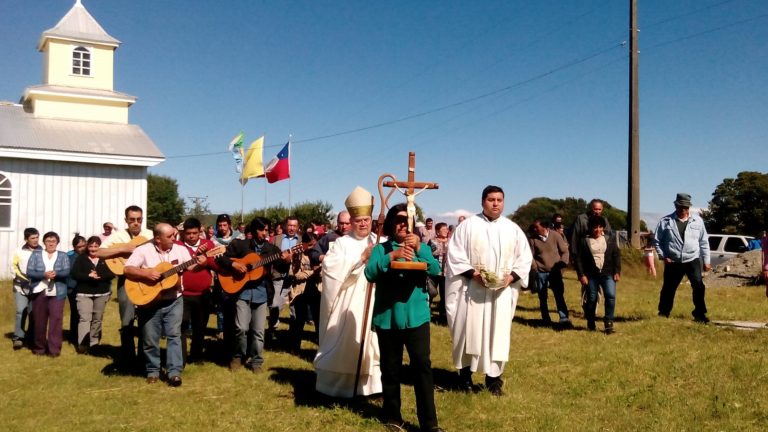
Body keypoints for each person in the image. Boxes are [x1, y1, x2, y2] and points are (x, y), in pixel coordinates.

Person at [444, 185, 532, 396]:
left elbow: (524, 258)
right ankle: (465, 377)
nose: (495, 204)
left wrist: (510, 278)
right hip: (471, 290)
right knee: (468, 332)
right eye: (491, 199)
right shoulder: (468, 226)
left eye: (499, 200)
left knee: (497, 333)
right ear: (483, 201)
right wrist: (474, 275)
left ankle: (493, 380)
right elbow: (455, 255)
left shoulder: (512, 229)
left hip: (500, 293)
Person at [365, 204, 444, 432]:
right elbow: (369, 273)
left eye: (407, 220)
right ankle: (392, 416)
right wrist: (392, 256)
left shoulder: (422, 247)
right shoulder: (381, 249)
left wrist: (418, 248)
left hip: (417, 317)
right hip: (388, 317)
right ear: (391, 224)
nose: (403, 224)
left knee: (422, 367)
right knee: (390, 368)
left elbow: (435, 269)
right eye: (398, 220)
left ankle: (429, 424)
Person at [314, 186, 382, 397]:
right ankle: (340, 387)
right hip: (348, 301)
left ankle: (373, 387)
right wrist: (361, 258)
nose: (363, 224)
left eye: (366, 219)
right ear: (351, 221)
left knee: (373, 342)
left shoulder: (380, 241)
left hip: (374, 300)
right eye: (358, 220)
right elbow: (330, 268)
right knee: (344, 341)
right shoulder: (341, 243)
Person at [124, 223, 205, 386]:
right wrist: (146, 273)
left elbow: (191, 267)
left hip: (174, 299)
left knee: (174, 335)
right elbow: (127, 269)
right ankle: (152, 370)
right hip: (150, 301)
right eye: (169, 236)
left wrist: (201, 263)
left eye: (174, 235)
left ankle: (174, 373)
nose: (174, 238)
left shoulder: (180, 250)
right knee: (150, 338)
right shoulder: (143, 250)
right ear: (157, 238)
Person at [216, 217, 287, 372]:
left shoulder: (271, 249)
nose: (265, 233)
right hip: (242, 292)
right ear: (254, 230)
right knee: (241, 328)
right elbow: (221, 259)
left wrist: (286, 260)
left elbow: (281, 268)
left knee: (258, 331)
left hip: (262, 294)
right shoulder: (240, 245)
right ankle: (238, 356)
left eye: (267, 230)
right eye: (262, 230)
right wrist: (234, 264)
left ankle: (256, 361)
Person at [96, 205, 153, 370]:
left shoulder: (150, 235)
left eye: (139, 219)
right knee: (127, 320)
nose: (136, 223)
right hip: (125, 280)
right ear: (126, 220)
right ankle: (128, 358)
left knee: (146, 320)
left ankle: (144, 357)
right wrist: (124, 248)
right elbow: (99, 252)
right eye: (132, 219)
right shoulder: (118, 236)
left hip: (146, 281)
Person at [653, 193, 711, 323]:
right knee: (668, 288)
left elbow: (704, 242)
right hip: (673, 261)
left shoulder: (698, 221)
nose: (683, 210)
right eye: (681, 207)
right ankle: (664, 313)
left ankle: (700, 314)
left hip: (692, 259)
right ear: (675, 206)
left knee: (698, 286)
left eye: (686, 207)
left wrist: (706, 261)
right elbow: (657, 241)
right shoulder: (665, 221)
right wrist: (664, 256)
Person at [178, 217, 219, 364]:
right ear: (183, 233)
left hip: (203, 294)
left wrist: (207, 261)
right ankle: (181, 357)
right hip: (182, 294)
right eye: (188, 233)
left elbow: (217, 266)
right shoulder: (177, 246)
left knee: (200, 326)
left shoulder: (208, 244)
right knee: (181, 326)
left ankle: (197, 355)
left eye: (194, 233)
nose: (191, 236)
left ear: (199, 232)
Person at [573, 216, 621, 333]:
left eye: (600, 227)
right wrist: (581, 275)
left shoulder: (610, 239)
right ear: (590, 228)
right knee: (592, 298)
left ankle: (608, 322)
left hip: (608, 272)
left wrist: (617, 271)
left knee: (610, 296)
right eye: (595, 227)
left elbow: (616, 255)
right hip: (591, 274)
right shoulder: (584, 241)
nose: (597, 230)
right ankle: (591, 321)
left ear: (603, 228)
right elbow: (578, 259)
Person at [26, 231, 70, 357]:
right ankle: (39, 348)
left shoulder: (63, 255)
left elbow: (67, 271)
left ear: (57, 242)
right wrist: (43, 275)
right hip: (39, 290)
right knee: (39, 320)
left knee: (56, 320)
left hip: (58, 292)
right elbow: (30, 271)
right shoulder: (36, 254)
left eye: (53, 241)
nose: (51, 243)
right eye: (48, 241)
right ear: (44, 242)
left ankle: (54, 349)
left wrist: (56, 273)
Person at [71, 236, 115, 352]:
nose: (93, 249)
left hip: (101, 293)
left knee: (97, 319)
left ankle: (94, 343)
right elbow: (74, 274)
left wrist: (99, 276)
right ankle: (83, 345)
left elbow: (112, 273)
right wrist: (88, 276)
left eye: (96, 246)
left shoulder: (105, 259)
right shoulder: (81, 258)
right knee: (84, 319)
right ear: (87, 247)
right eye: (91, 246)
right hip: (84, 293)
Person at [529, 219, 571, 327]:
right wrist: (535, 267)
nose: (534, 229)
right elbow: (530, 255)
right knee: (542, 297)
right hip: (541, 272)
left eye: (537, 227)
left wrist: (562, 264)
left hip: (555, 272)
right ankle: (545, 319)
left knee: (559, 295)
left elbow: (565, 251)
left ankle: (564, 319)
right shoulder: (533, 239)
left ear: (544, 227)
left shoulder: (556, 235)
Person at [269, 215, 301, 343]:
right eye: (289, 225)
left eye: (294, 225)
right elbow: (269, 255)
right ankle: (272, 330)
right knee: (275, 305)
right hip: (278, 276)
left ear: (298, 227)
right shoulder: (276, 239)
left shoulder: (301, 240)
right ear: (285, 226)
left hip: (295, 278)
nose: (291, 228)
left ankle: (294, 334)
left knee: (295, 307)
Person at [286, 232, 317, 353]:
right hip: (300, 291)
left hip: (316, 290)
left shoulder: (318, 254)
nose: (312, 248)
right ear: (303, 244)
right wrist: (312, 272)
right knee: (298, 320)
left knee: (318, 320)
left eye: (314, 245)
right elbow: (296, 274)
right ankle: (294, 347)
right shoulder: (297, 255)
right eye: (309, 245)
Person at [10, 227, 41, 350]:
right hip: (20, 286)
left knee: (34, 313)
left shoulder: (43, 251)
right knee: (20, 311)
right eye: (32, 238)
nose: (35, 240)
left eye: (37, 237)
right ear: (26, 239)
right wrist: (23, 280)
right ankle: (18, 338)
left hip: (37, 287)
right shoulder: (18, 251)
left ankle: (32, 337)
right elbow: (13, 266)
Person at [66, 235, 87, 345]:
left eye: (84, 245)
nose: (82, 248)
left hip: (87, 289)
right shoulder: (69, 257)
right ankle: (74, 336)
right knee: (75, 313)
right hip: (73, 289)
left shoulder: (89, 255)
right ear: (74, 247)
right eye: (79, 247)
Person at [431, 222, 450, 323]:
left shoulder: (451, 241)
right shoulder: (432, 242)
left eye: (446, 229)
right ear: (438, 232)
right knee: (431, 293)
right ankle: (427, 314)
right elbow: (429, 254)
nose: (446, 231)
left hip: (446, 273)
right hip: (435, 272)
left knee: (444, 295)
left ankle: (442, 317)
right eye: (443, 229)